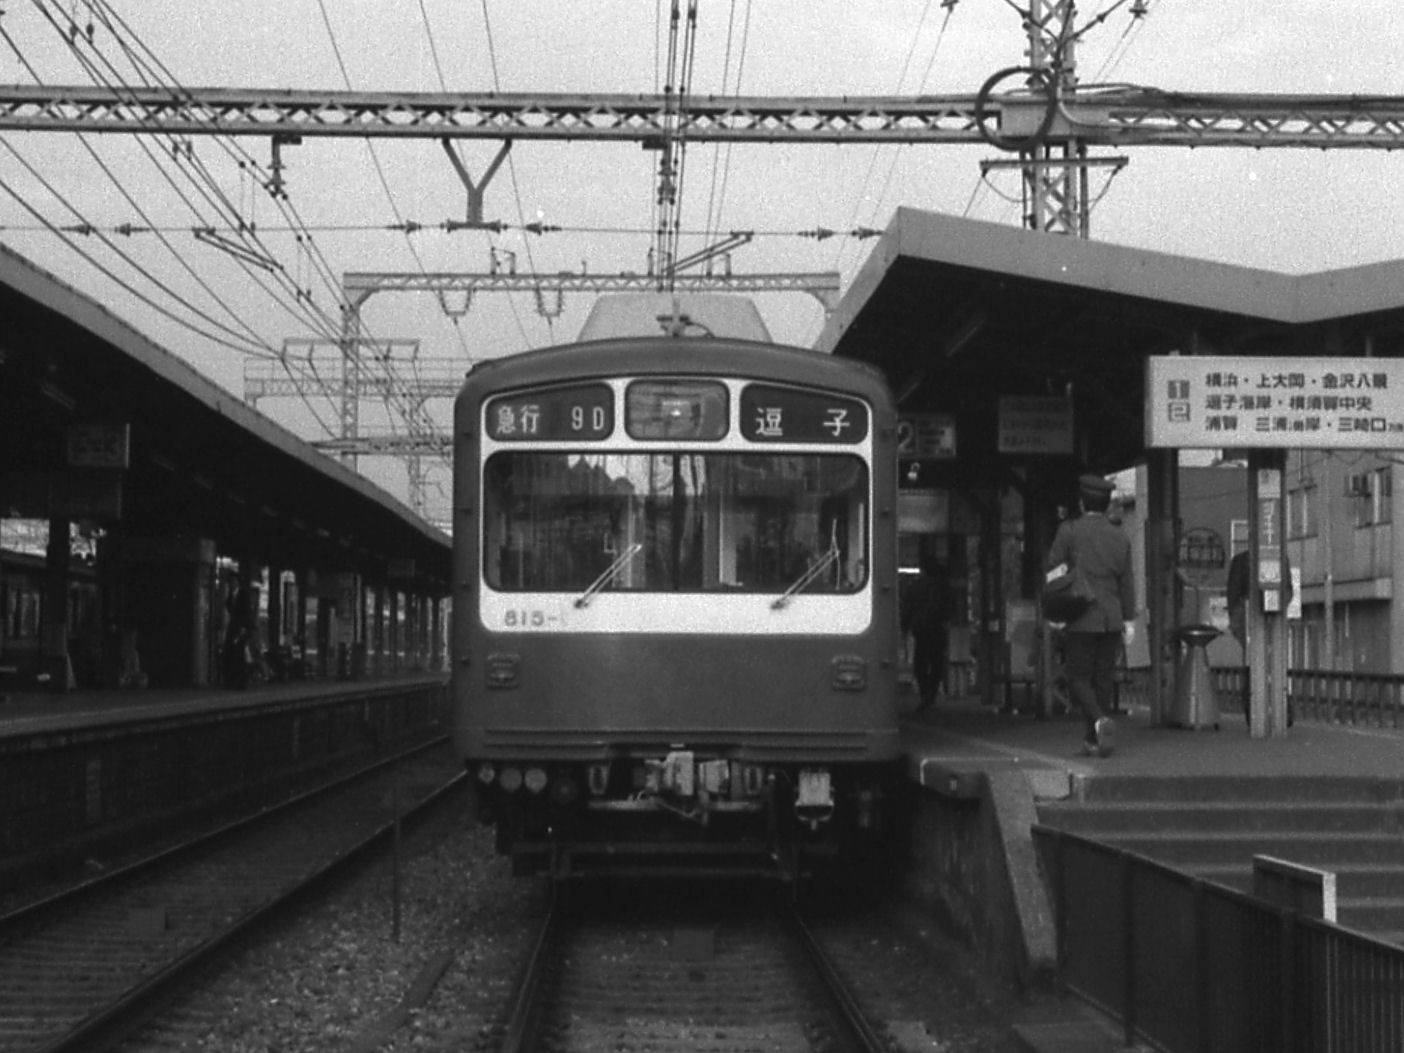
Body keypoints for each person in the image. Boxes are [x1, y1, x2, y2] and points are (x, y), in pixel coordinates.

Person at [1045, 474, 1136, 756]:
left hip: (1081, 615)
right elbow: (1126, 582)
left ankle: (1099, 721)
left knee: (1077, 678)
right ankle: (1093, 739)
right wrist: (1129, 620)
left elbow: (1053, 571)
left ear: (1082, 503)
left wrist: (1054, 610)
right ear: (1107, 504)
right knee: (1102, 680)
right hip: (1111, 618)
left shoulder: (1069, 530)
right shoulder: (1120, 536)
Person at [901, 553, 954, 711]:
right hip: (938, 629)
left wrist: (905, 627)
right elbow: (951, 606)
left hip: (921, 630)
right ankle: (932, 691)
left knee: (920, 663)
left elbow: (907, 608)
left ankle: (925, 691)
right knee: (937, 662)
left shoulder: (916, 587)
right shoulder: (944, 587)